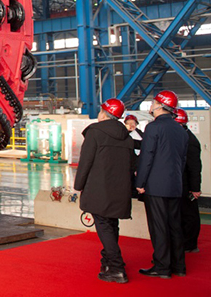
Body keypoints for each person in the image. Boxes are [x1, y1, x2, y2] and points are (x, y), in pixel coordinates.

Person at [75, 98, 136, 284]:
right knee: (112, 224)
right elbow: (132, 164)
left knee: (103, 225)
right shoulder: (126, 136)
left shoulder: (95, 133)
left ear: (104, 114)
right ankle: (107, 262)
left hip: (99, 188)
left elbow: (86, 162)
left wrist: (78, 185)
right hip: (120, 189)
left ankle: (117, 268)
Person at [135, 90, 189, 278]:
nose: (151, 106)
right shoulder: (180, 130)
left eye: (153, 102)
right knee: (174, 224)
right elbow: (182, 159)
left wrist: (140, 182)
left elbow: (147, 156)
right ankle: (179, 266)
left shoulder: (153, 128)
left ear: (160, 105)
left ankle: (162, 266)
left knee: (158, 226)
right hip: (174, 184)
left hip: (156, 184)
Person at [175, 109, 202, 253]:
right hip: (179, 182)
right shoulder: (182, 138)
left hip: (187, 184)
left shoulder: (190, 141)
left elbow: (194, 167)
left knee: (189, 214)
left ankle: (190, 244)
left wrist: (195, 188)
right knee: (181, 213)